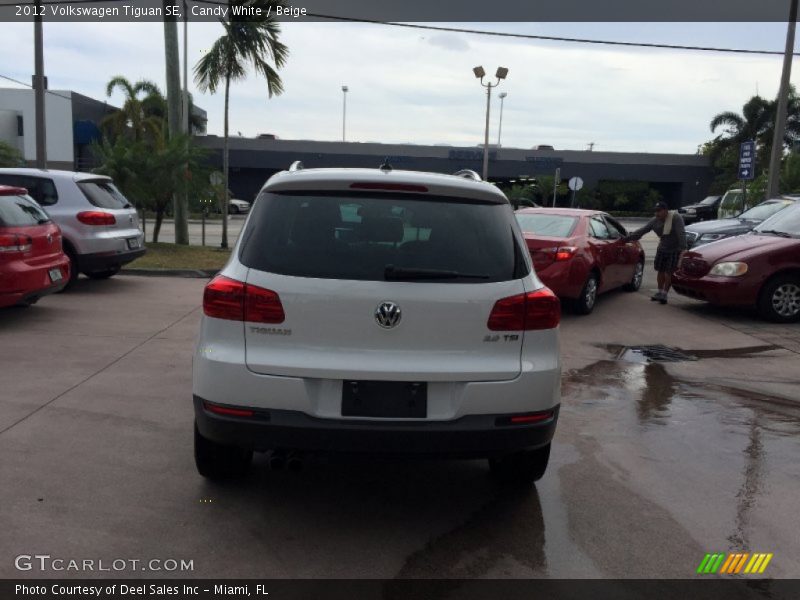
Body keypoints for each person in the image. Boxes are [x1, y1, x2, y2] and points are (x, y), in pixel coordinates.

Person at [625, 201, 687, 305]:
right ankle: (659, 292)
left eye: (659, 211)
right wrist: (627, 238)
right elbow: (642, 231)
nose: (657, 213)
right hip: (662, 248)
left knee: (669, 272)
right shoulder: (654, 221)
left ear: (666, 211)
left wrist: (683, 249)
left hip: (674, 249)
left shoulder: (676, 218)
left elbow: (681, 234)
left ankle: (664, 294)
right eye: (656, 211)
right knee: (660, 270)